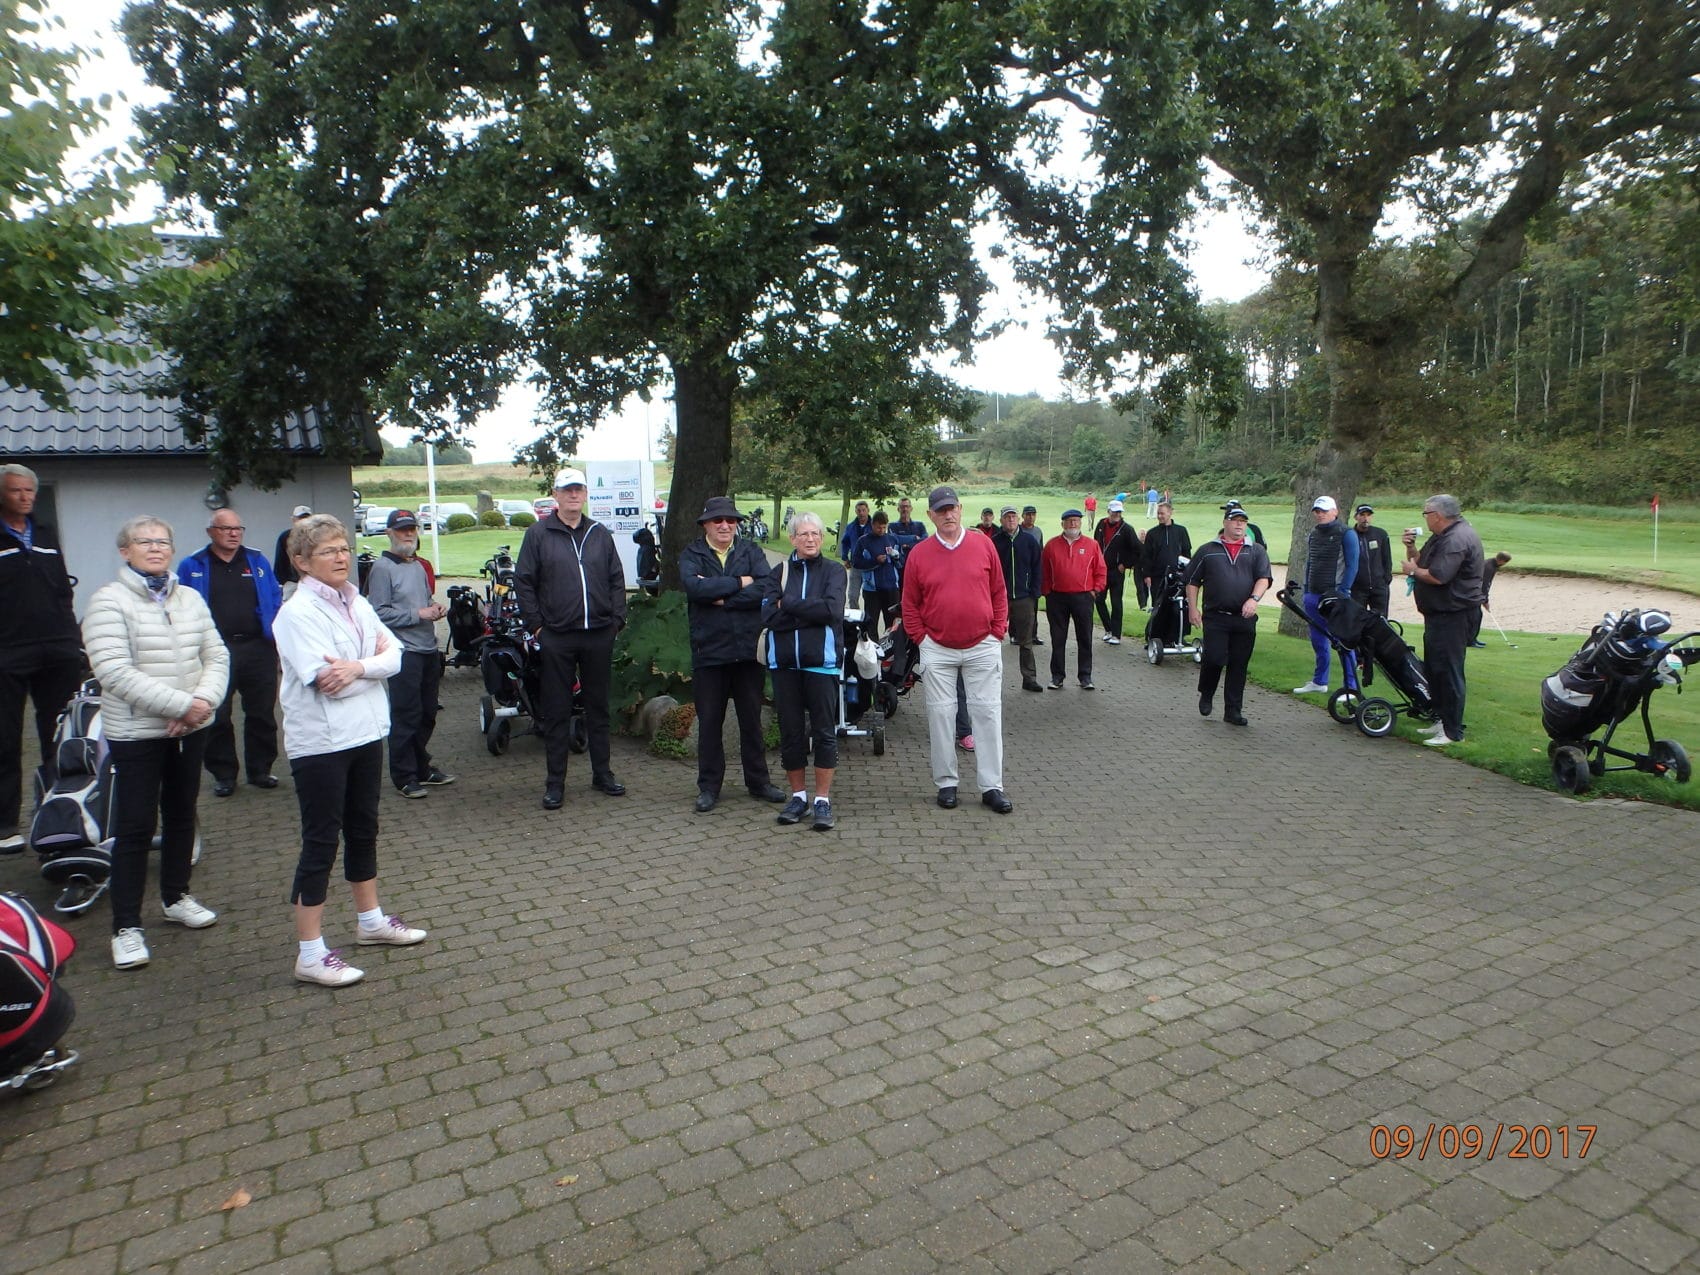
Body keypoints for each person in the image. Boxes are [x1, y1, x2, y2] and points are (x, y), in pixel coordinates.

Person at [273, 514, 427, 987]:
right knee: (322, 840)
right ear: (302, 562)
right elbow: (326, 682)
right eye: (328, 551)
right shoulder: (296, 614)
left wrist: (358, 667)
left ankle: (371, 921)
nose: (341, 557)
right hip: (321, 743)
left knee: (364, 829)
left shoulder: (356, 602)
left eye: (344, 548)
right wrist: (370, 667)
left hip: (365, 732)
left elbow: (395, 654)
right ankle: (310, 953)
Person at [82, 516, 229, 969]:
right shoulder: (108, 601)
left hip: (190, 729)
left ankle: (176, 897)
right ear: (124, 551)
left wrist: (202, 703)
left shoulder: (189, 597)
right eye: (144, 541)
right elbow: (113, 671)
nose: (155, 548)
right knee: (135, 828)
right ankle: (126, 927)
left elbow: (216, 654)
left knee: (182, 815)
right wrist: (181, 706)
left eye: (163, 541)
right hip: (138, 734)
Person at [515, 468, 628, 809]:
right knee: (556, 710)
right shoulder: (538, 534)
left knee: (598, 707)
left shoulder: (599, 533)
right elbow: (524, 582)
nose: (573, 495)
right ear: (556, 495)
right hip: (558, 636)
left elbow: (616, 579)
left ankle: (602, 773)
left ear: (585, 494)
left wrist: (616, 621)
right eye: (567, 490)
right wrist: (537, 626)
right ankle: (555, 783)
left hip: (598, 633)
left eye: (578, 489)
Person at [901, 486, 1011, 813]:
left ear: (961, 509)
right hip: (937, 647)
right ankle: (946, 782)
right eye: (941, 510)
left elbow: (999, 591)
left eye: (952, 508)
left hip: (983, 644)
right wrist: (922, 639)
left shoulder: (983, 544)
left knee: (987, 714)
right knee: (941, 715)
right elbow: (910, 603)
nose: (948, 514)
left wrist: (997, 631)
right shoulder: (919, 554)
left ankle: (992, 786)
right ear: (930, 515)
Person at [0, 464, 86, 852]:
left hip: (57, 649)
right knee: (5, 739)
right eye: (15, 490)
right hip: (9, 652)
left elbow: (63, 591)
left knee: (60, 734)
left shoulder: (47, 535)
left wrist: (73, 641)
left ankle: (59, 812)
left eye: (30, 491)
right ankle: (5, 825)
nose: (25, 497)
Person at [681, 497, 784, 813]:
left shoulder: (751, 551)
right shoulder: (692, 554)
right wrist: (741, 582)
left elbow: (767, 587)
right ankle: (709, 787)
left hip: (747, 652)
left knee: (751, 721)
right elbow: (695, 589)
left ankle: (759, 782)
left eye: (731, 520)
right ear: (705, 525)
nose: (725, 525)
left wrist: (725, 598)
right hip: (709, 652)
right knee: (710, 723)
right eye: (718, 520)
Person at [177, 508, 283, 798]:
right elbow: (180, 604)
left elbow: (274, 596)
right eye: (226, 529)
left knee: (262, 712)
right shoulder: (192, 564)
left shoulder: (257, 560)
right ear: (211, 532)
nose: (234, 534)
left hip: (257, 647)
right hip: (215, 650)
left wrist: (272, 629)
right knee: (218, 715)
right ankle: (224, 774)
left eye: (238, 528)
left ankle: (260, 770)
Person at [761, 513, 845, 831]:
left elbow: (832, 610)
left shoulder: (834, 571)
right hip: (784, 665)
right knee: (791, 733)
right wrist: (810, 610)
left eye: (815, 534)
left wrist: (789, 603)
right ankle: (798, 797)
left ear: (822, 538)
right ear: (792, 538)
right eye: (804, 534)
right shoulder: (779, 572)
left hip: (821, 664)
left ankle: (822, 800)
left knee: (824, 733)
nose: (810, 539)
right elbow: (768, 616)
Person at [364, 509, 456, 799]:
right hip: (403, 652)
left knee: (427, 712)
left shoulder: (417, 566)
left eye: (412, 529)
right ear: (389, 533)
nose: (408, 534)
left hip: (428, 648)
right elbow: (378, 613)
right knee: (406, 714)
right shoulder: (382, 568)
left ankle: (421, 767)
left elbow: (423, 600)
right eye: (402, 530)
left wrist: (434, 607)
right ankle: (404, 775)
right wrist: (419, 614)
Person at [1403, 495, 1485, 746]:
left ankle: (1452, 731)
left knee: (1449, 671)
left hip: (1454, 614)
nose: (1425, 518)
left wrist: (1412, 571)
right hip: (1439, 614)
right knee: (1435, 669)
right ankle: (1441, 719)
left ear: (1437, 515)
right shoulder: (1442, 536)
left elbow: (1438, 576)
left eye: (1426, 513)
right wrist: (1411, 548)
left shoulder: (1456, 539)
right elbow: (1422, 561)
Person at [1185, 508, 1272, 727]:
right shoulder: (1208, 550)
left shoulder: (1256, 551)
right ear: (1225, 522)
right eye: (1235, 520)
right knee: (1214, 658)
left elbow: (1263, 578)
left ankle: (1233, 710)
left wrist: (1254, 599)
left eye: (1243, 521)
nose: (1239, 525)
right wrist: (1193, 608)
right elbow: (1192, 581)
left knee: (1239, 664)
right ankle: (1207, 692)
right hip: (1216, 616)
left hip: (1244, 616)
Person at [1292, 496, 1360, 695]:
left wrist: (1343, 592)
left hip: (1335, 595)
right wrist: (1307, 591)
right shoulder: (1314, 534)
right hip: (1313, 594)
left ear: (1335, 512)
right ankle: (1319, 681)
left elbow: (1352, 565)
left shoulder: (1346, 533)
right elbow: (1310, 563)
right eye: (1317, 511)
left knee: (1342, 641)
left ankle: (1351, 687)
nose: (1320, 514)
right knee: (1318, 641)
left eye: (1324, 511)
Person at [1041, 509, 1107, 690]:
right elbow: (1044, 571)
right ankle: (1057, 676)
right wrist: (1047, 592)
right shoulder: (1051, 545)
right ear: (1062, 523)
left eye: (1076, 520)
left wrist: (1096, 590)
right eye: (1069, 520)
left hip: (1083, 597)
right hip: (1057, 598)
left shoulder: (1092, 545)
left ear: (1081, 523)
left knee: (1085, 637)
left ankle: (1085, 676)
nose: (1073, 524)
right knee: (1057, 638)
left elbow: (1101, 570)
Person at [990, 505, 1043, 692]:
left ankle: (1029, 678)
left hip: (1023, 597)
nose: (1011, 520)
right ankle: (989, 680)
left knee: (1026, 641)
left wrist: (1034, 592)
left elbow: (1037, 567)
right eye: (1007, 517)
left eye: (1013, 516)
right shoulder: (994, 542)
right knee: (992, 641)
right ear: (1001, 521)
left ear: (1018, 519)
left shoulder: (1029, 541)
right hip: (999, 599)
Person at [1093, 499, 1141, 643]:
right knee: (1098, 600)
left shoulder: (1126, 529)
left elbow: (1137, 550)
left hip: (1116, 571)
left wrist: (1125, 564)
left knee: (1116, 602)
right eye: (1114, 512)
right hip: (1101, 570)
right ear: (1109, 511)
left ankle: (1116, 635)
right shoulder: (1101, 524)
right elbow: (1095, 544)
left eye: (1119, 512)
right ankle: (1108, 629)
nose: (1117, 514)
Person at [851, 509, 904, 636]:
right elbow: (856, 562)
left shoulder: (892, 539)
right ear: (872, 525)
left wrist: (896, 557)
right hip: (872, 589)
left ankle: (891, 647)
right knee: (871, 623)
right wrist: (875, 561)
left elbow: (901, 562)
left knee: (893, 624)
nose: (881, 530)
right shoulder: (863, 541)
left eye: (884, 527)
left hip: (891, 588)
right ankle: (872, 647)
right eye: (878, 527)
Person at [1141, 501, 1192, 601]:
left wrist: (1186, 573)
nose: (1159, 516)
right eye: (1158, 513)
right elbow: (1146, 556)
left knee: (1176, 605)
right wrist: (1147, 575)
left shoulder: (1181, 531)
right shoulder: (1152, 533)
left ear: (1170, 513)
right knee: (1158, 604)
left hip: (1177, 576)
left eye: (1162, 513)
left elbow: (1186, 553)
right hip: (1157, 576)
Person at [1350, 503, 1394, 617]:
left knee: (1381, 620)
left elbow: (1387, 558)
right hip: (1357, 589)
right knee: (1358, 620)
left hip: (1379, 587)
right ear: (1356, 517)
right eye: (1362, 515)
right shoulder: (1350, 535)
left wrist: (1386, 579)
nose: (1366, 518)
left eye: (1368, 515)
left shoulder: (1380, 534)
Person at [1470, 551, 1512, 646]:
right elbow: (1485, 585)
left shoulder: (1491, 564)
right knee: (1475, 617)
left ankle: (1473, 639)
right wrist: (1485, 600)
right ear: (1501, 560)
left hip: (1476, 594)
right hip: (1474, 594)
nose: (1504, 564)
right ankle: (1470, 640)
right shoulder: (1489, 567)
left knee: (1477, 616)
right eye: (1505, 562)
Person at [273, 504, 312, 600]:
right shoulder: (285, 537)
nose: (303, 521)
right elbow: (280, 561)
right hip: (291, 583)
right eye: (300, 518)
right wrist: (280, 582)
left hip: (312, 581)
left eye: (306, 518)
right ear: (293, 520)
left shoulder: (317, 537)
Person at [839, 500, 872, 611]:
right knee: (852, 595)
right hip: (856, 565)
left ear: (868, 510)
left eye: (863, 510)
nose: (861, 513)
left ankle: (869, 617)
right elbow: (845, 542)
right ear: (856, 512)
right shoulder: (851, 527)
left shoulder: (874, 526)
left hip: (870, 566)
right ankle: (855, 616)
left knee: (870, 596)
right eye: (859, 511)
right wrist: (845, 558)